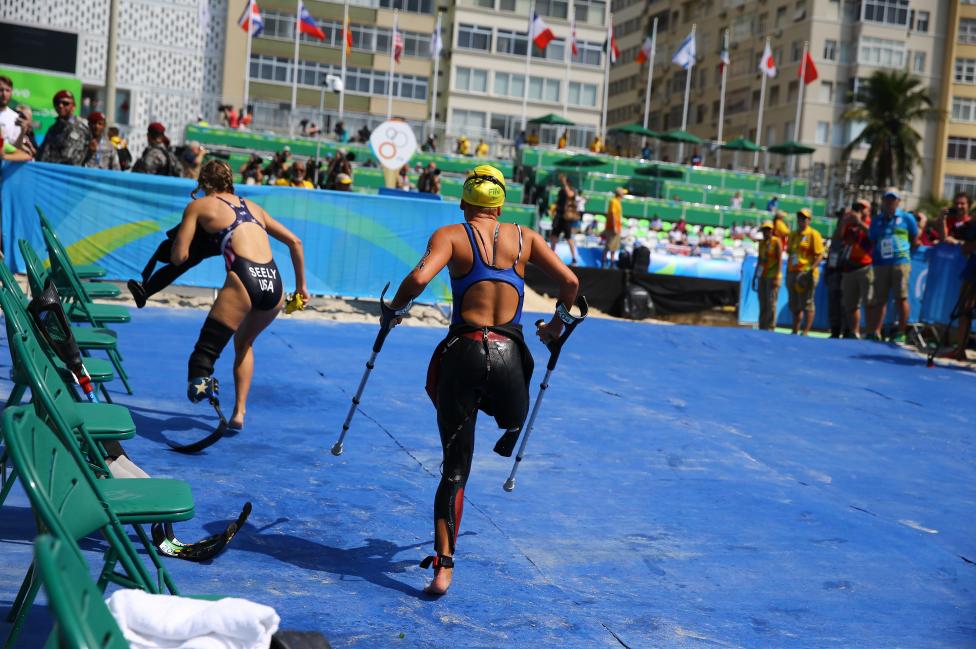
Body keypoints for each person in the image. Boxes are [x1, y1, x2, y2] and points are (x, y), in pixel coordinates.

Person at [385, 164, 578, 596]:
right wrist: (557, 327)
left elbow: (418, 278)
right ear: (501, 205)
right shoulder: (525, 237)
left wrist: (394, 310)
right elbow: (570, 281)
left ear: (464, 202)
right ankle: (510, 427)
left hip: (464, 352)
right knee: (513, 411)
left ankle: (444, 569)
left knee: (454, 470)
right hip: (511, 357)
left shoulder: (451, 235)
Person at [175, 160, 308, 429]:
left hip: (244, 279)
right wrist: (301, 287)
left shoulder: (199, 206)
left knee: (204, 355)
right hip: (274, 284)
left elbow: (179, 257)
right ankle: (239, 413)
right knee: (244, 344)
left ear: (203, 184)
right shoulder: (254, 207)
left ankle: (205, 385)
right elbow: (296, 241)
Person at [865, 188, 918, 343]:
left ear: (898, 202)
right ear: (883, 201)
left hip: (900, 263)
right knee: (879, 299)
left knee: (901, 297)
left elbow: (915, 239)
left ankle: (901, 332)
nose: (890, 202)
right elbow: (873, 238)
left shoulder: (907, 218)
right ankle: (876, 331)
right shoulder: (878, 219)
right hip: (881, 263)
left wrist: (904, 253)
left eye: (893, 199)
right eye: (887, 199)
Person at [940, 192, 976, 360]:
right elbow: (965, 247)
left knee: (965, 308)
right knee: (964, 308)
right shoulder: (972, 224)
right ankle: (959, 350)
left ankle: (960, 350)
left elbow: (966, 248)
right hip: (972, 270)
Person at [786, 208, 824, 336]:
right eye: (799, 217)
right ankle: (795, 329)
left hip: (806, 273)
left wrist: (811, 269)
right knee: (794, 302)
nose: (801, 220)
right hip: (793, 272)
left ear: (809, 220)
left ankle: (806, 331)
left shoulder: (813, 234)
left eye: (804, 218)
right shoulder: (792, 235)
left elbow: (820, 255)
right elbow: (790, 253)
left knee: (807, 302)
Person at [839, 199, 873, 339]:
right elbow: (839, 237)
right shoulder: (849, 224)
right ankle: (855, 331)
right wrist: (843, 221)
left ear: (868, 210)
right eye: (856, 207)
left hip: (866, 266)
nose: (858, 209)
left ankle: (871, 332)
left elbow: (873, 235)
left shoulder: (871, 222)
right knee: (851, 304)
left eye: (862, 207)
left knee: (869, 302)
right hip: (849, 267)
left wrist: (860, 222)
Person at [37, 90, 89, 166]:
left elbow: (73, 158)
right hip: (50, 173)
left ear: (73, 107)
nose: (60, 106)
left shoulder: (81, 128)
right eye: (57, 103)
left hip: (68, 175)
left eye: (65, 103)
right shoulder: (53, 129)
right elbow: (42, 154)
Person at [753, 220, 784, 330]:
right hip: (762, 276)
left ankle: (770, 327)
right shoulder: (761, 243)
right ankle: (762, 326)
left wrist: (777, 276)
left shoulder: (777, 242)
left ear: (772, 230)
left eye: (769, 229)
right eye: (765, 229)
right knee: (763, 302)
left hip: (772, 276)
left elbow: (780, 260)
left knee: (771, 303)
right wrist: (755, 277)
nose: (767, 232)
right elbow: (759, 260)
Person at [549, 174, 581, 265]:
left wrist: (564, 183)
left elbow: (569, 195)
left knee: (568, 237)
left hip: (566, 218)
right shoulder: (561, 191)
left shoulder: (572, 191)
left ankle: (574, 257)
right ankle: (551, 256)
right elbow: (558, 201)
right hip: (559, 216)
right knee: (554, 236)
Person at [603, 188, 624, 268]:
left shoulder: (618, 202)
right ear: (619, 194)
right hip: (612, 228)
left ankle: (611, 263)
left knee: (614, 246)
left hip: (617, 228)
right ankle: (604, 262)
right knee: (609, 245)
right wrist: (614, 227)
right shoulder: (614, 201)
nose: (624, 195)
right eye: (623, 193)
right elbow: (613, 214)